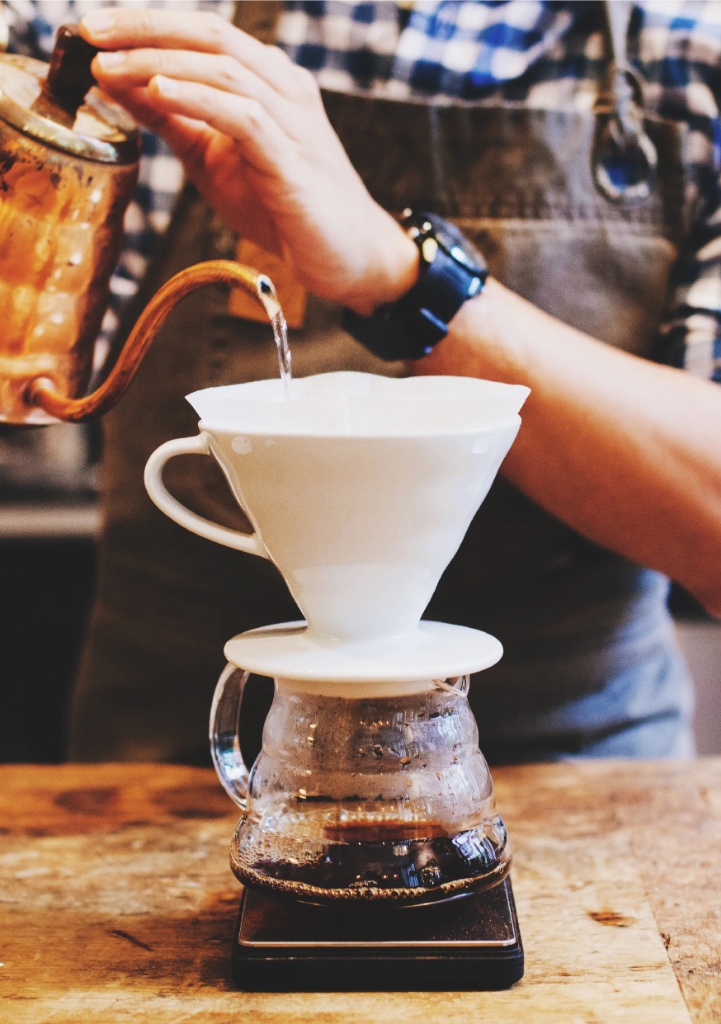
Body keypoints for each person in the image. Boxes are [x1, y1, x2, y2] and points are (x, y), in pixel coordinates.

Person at [59, 1, 721, 763]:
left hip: (583, 776)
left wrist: (400, 276)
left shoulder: (688, 55)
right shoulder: (130, 20)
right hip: (180, 773)